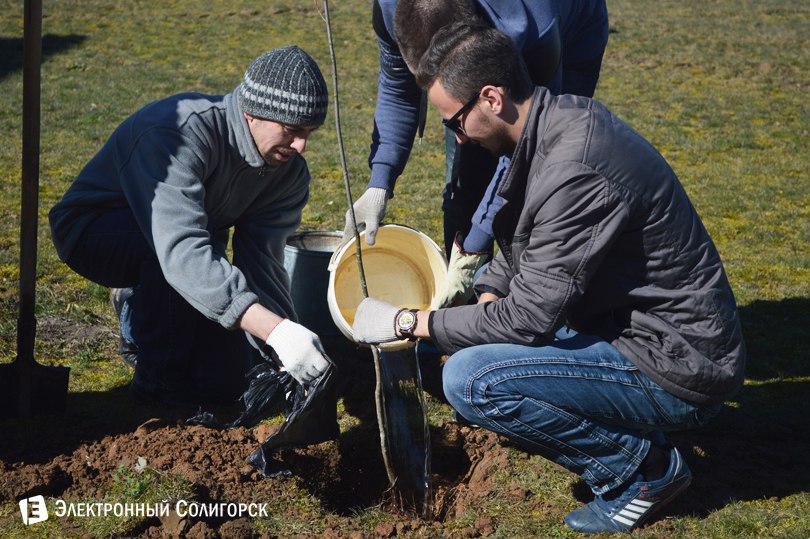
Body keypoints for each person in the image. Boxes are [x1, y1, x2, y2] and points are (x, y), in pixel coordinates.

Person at [352, 24, 746, 534]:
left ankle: (643, 471)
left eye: (454, 121)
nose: (456, 136)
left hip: (677, 363)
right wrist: (486, 292)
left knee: (471, 380)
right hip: (629, 327)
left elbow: (530, 318)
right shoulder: (554, 124)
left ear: (491, 98)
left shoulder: (575, 167)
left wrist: (409, 321)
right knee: (474, 349)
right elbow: (529, 245)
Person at [49, 46, 332, 406]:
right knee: (175, 363)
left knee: (225, 384)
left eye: (310, 132)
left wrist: (281, 347)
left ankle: (151, 311)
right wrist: (271, 328)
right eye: (292, 130)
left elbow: (262, 260)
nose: (302, 145)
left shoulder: (288, 175)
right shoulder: (177, 134)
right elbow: (181, 250)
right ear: (252, 113)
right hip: (95, 231)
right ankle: (155, 390)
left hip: (195, 246)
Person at [344, 0, 609, 309]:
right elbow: (397, 91)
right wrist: (380, 182)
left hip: (572, 35)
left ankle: (524, 304)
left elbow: (528, 144)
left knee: (543, 182)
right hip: (479, 59)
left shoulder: (533, 30)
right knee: (466, 175)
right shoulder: (390, 10)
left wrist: (475, 244)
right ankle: (464, 310)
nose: (459, 137)